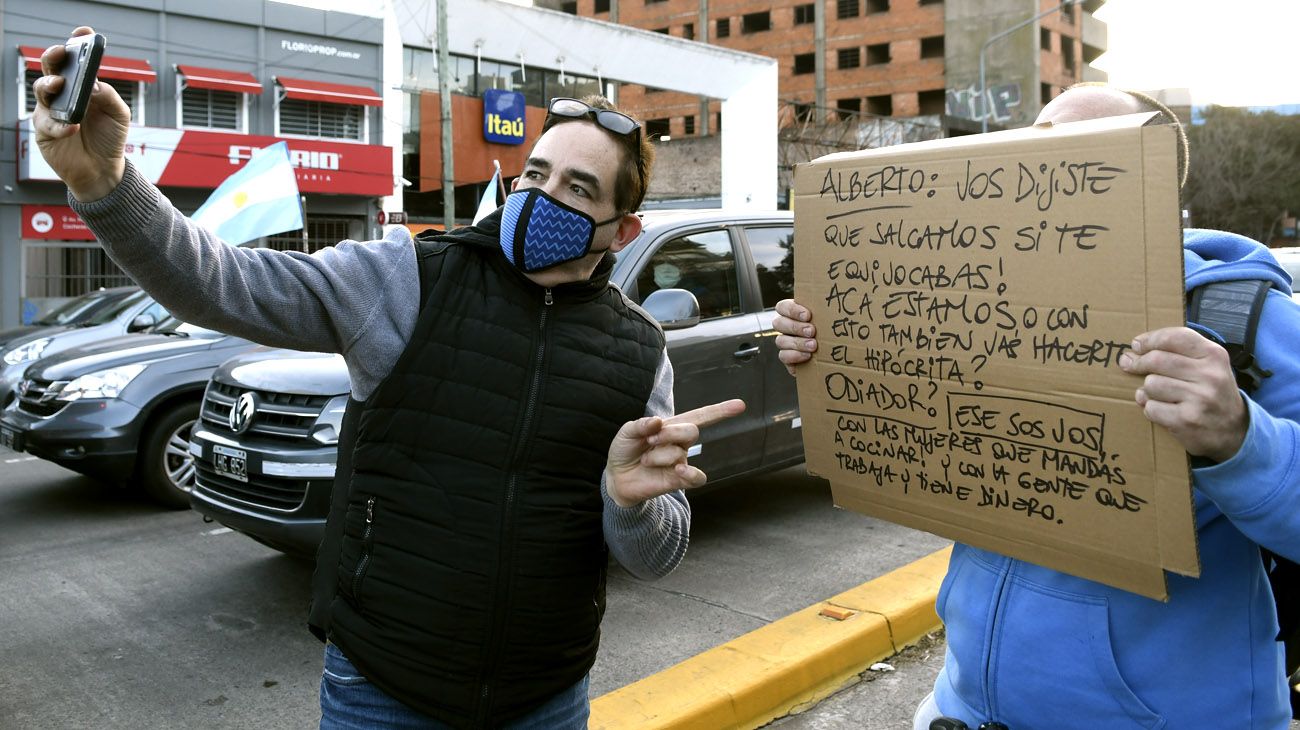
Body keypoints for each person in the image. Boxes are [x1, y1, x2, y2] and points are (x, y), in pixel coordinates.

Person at [34, 26, 746, 730]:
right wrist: (104, 181)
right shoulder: (407, 277)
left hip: (549, 696)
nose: (540, 196)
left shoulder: (639, 348)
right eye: (536, 174)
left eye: (577, 188)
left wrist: (627, 504)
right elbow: (222, 282)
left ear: (622, 230)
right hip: (382, 688)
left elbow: (655, 555)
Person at [774, 83, 1300, 729]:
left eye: (1088, 150)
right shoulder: (985, 292)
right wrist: (836, 350)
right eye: (1040, 139)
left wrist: (1242, 439)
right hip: (965, 706)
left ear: (1156, 177)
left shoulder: (1256, 325)